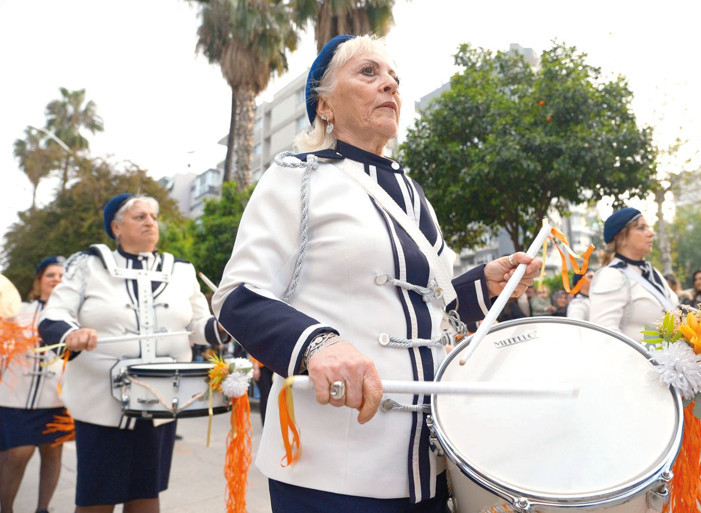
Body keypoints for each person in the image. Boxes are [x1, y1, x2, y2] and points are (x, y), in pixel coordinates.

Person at [211, 34, 541, 512]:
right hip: (331, 470)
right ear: (324, 104)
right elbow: (238, 295)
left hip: (432, 462)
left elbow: (430, 306)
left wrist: (483, 285)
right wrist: (318, 344)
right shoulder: (295, 175)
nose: (389, 84)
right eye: (368, 72)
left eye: (393, 77)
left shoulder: (414, 193)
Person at [38, 194, 230, 513]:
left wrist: (225, 325)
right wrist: (72, 334)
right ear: (116, 228)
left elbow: (198, 325)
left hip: (162, 401)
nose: (150, 222)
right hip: (100, 404)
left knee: (146, 494)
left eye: (153, 217)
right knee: (96, 499)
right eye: (139, 217)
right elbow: (53, 315)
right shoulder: (87, 265)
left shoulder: (181, 271)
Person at [0, 256, 67, 513]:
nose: (56, 280)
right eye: (51, 275)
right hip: (15, 399)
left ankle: (43, 509)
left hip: (56, 399)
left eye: (62, 276)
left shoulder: (73, 316)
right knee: (17, 453)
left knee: (53, 454)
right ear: (39, 280)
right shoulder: (17, 311)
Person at [589, 207, 678, 341]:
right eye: (641, 228)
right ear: (620, 237)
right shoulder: (611, 276)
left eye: (648, 228)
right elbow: (604, 335)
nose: (651, 233)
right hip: (637, 355)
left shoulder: (652, 272)